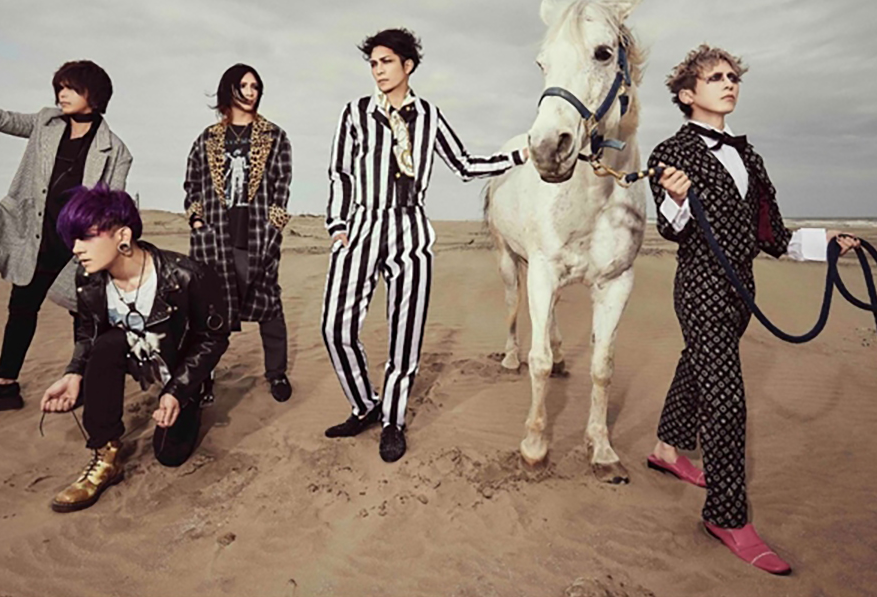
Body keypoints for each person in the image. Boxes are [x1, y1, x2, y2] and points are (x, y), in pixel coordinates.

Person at [645, 44, 861, 575]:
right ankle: (726, 517)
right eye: (715, 77)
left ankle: (667, 450)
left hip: (742, 293)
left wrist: (826, 242)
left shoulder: (749, 158)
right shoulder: (670, 152)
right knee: (726, 400)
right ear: (687, 95)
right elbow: (671, 229)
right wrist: (676, 198)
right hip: (700, 289)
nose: (729, 83)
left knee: (696, 365)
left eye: (733, 76)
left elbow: (773, 236)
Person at [320, 27, 530, 463]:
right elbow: (341, 172)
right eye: (373, 64)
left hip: (410, 228)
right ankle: (365, 404)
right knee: (335, 327)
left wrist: (516, 157)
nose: (378, 71)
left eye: (386, 62)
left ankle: (392, 421)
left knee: (405, 333)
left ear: (408, 65)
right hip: (361, 224)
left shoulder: (430, 116)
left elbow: (465, 164)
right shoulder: (355, 113)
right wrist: (338, 226)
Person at [0, 28, 133, 417]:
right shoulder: (45, 123)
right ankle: (3, 386)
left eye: (71, 88)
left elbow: (112, 208)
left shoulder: (116, 151)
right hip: (36, 237)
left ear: (94, 96)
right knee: (21, 307)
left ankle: (83, 383)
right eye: (59, 87)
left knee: (85, 314)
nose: (61, 94)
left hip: (77, 247)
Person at [39, 184, 229, 512]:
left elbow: (213, 338)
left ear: (123, 236)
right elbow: (88, 332)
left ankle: (192, 400)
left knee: (170, 455)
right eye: (73, 239)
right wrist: (74, 373)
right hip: (131, 354)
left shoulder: (187, 275)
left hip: (177, 365)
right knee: (106, 345)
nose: (76, 248)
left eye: (85, 237)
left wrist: (178, 390)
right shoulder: (88, 278)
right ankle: (105, 455)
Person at [184, 64, 295, 404]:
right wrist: (197, 221)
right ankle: (202, 376)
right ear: (228, 90)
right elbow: (192, 182)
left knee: (268, 304)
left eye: (255, 86)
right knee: (207, 310)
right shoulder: (207, 138)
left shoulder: (274, 136)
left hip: (257, 234)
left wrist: (274, 225)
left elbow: (282, 185)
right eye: (243, 85)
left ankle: (276, 373)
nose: (250, 92)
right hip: (214, 237)